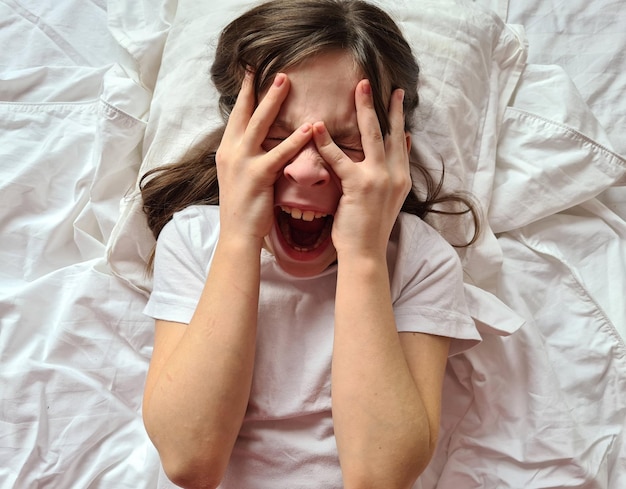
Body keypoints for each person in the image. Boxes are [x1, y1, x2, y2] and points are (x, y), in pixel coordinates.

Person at [140, 1, 482, 488]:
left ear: (395, 160)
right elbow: (190, 460)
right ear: (232, 148)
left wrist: (364, 258)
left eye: (348, 145)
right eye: (276, 137)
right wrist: (238, 236)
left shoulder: (418, 261)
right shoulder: (197, 241)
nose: (306, 169)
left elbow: (380, 476)